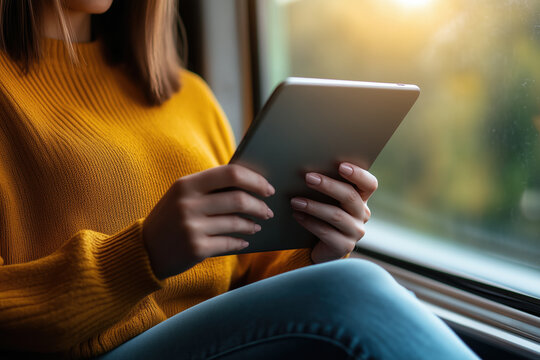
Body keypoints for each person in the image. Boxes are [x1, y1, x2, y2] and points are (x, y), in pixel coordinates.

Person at [0, 0, 479, 359]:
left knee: (342, 280)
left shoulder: (189, 98)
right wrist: (142, 254)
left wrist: (316, 253)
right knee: (349, 293)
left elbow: (242, 278)